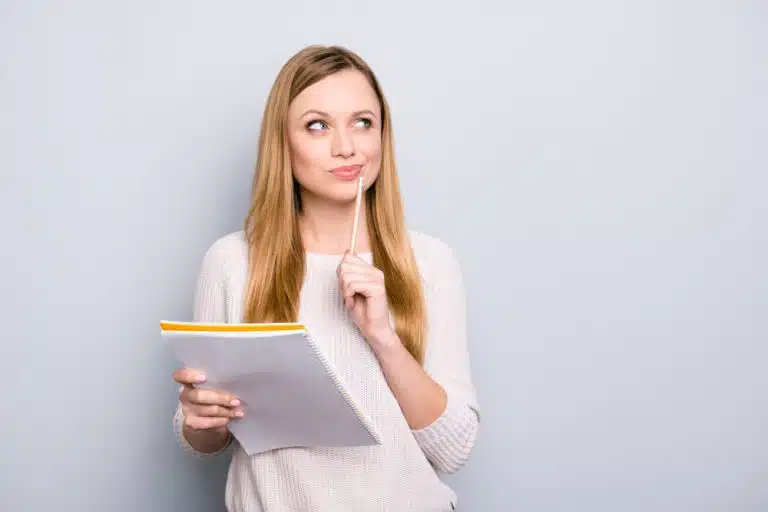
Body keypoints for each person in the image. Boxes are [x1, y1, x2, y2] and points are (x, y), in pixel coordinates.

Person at [171, 44, 480, 512]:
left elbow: (454, 449)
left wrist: (384, 339)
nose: (347, 147)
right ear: (284, 142)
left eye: (363, 122)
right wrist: (201, 419)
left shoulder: (431, 262)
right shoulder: (233, 263)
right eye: (318, 125)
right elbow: (207, 441)